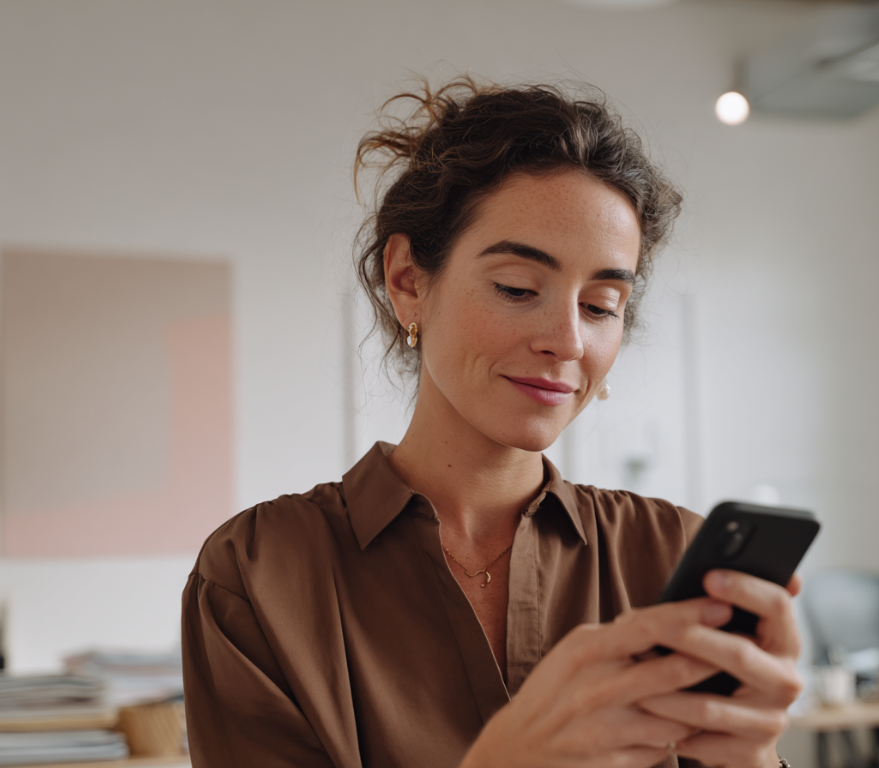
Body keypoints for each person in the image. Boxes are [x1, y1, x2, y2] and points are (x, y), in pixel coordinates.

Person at [181, 77, 803, 768]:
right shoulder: (257, 575)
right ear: (408, 281)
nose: (567, 341)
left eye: (600, 305)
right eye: (517, 288)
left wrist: (753, 754)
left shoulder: (669, 555)